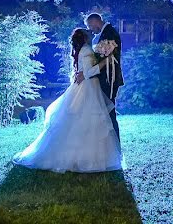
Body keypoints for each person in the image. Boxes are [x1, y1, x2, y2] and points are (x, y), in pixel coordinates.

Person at [13, 27, 123, 173]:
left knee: (86, 120)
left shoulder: (85, 49)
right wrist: (105, 62)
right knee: (87, 120)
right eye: (88, 32)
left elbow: (84, 71)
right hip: (89, 87)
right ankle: (85, 157)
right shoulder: (87, 50)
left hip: (88, 86)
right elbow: (89, 73)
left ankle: (89, 155)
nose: (91, 32)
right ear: (84, 37)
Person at [75, 13, 123, 138]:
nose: (90, 29)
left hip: (109, 78)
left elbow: (104, 57)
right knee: (104, 111)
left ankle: (114, 143)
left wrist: (85, 72)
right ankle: (107, 142)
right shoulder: (106, 33)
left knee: (109, 110)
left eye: (89, 25)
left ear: (96, 21)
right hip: (104, 78)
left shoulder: (109, 33)